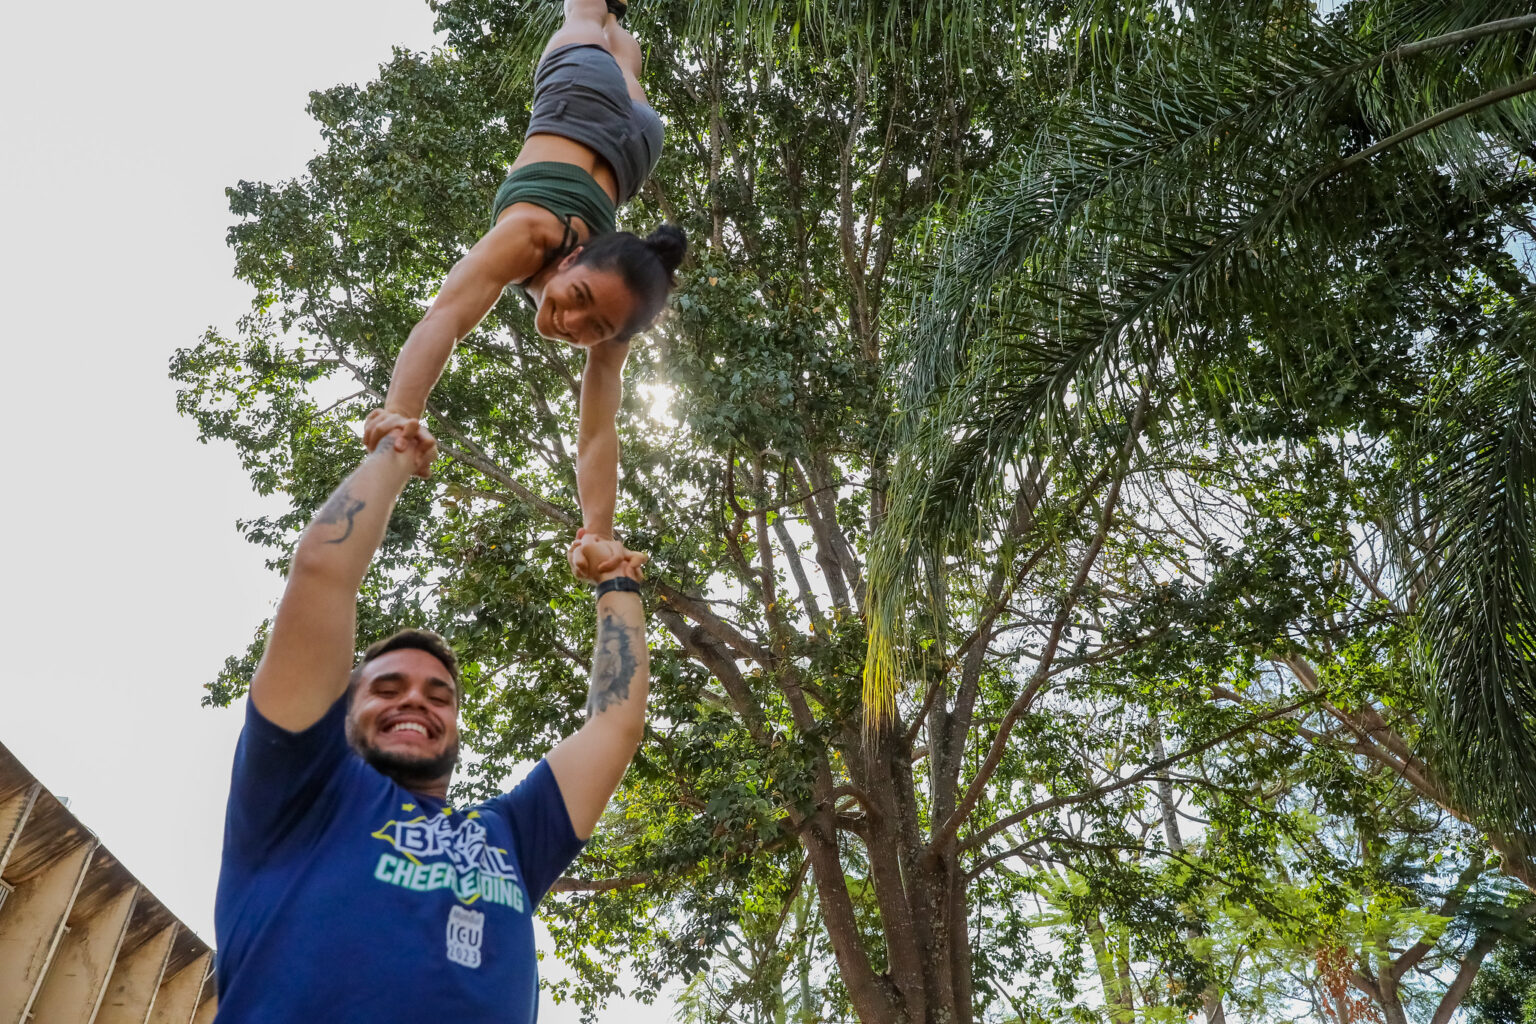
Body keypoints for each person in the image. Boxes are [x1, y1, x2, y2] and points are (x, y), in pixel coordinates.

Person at [212, 413, 650, 1022]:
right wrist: (394, 453)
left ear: (456, 728)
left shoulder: (512, 839)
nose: (415, 699)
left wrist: (615, 581)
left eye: (438, 695)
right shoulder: (298, 794)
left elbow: (615, 725)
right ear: (341, 712)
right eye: (387, 688)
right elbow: (322, 573)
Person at [366, 0, 684, 580]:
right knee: (583, 23)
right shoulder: (528, 236)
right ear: (576, 255)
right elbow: (445, 318)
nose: (574, 327)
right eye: (579, 298)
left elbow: (596, 432)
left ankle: (614, 16)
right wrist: (399, 414)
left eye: (597, 330)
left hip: (639, 141)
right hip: (579, 97)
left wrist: (600, 534)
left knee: (628, 64)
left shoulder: (619, 309)